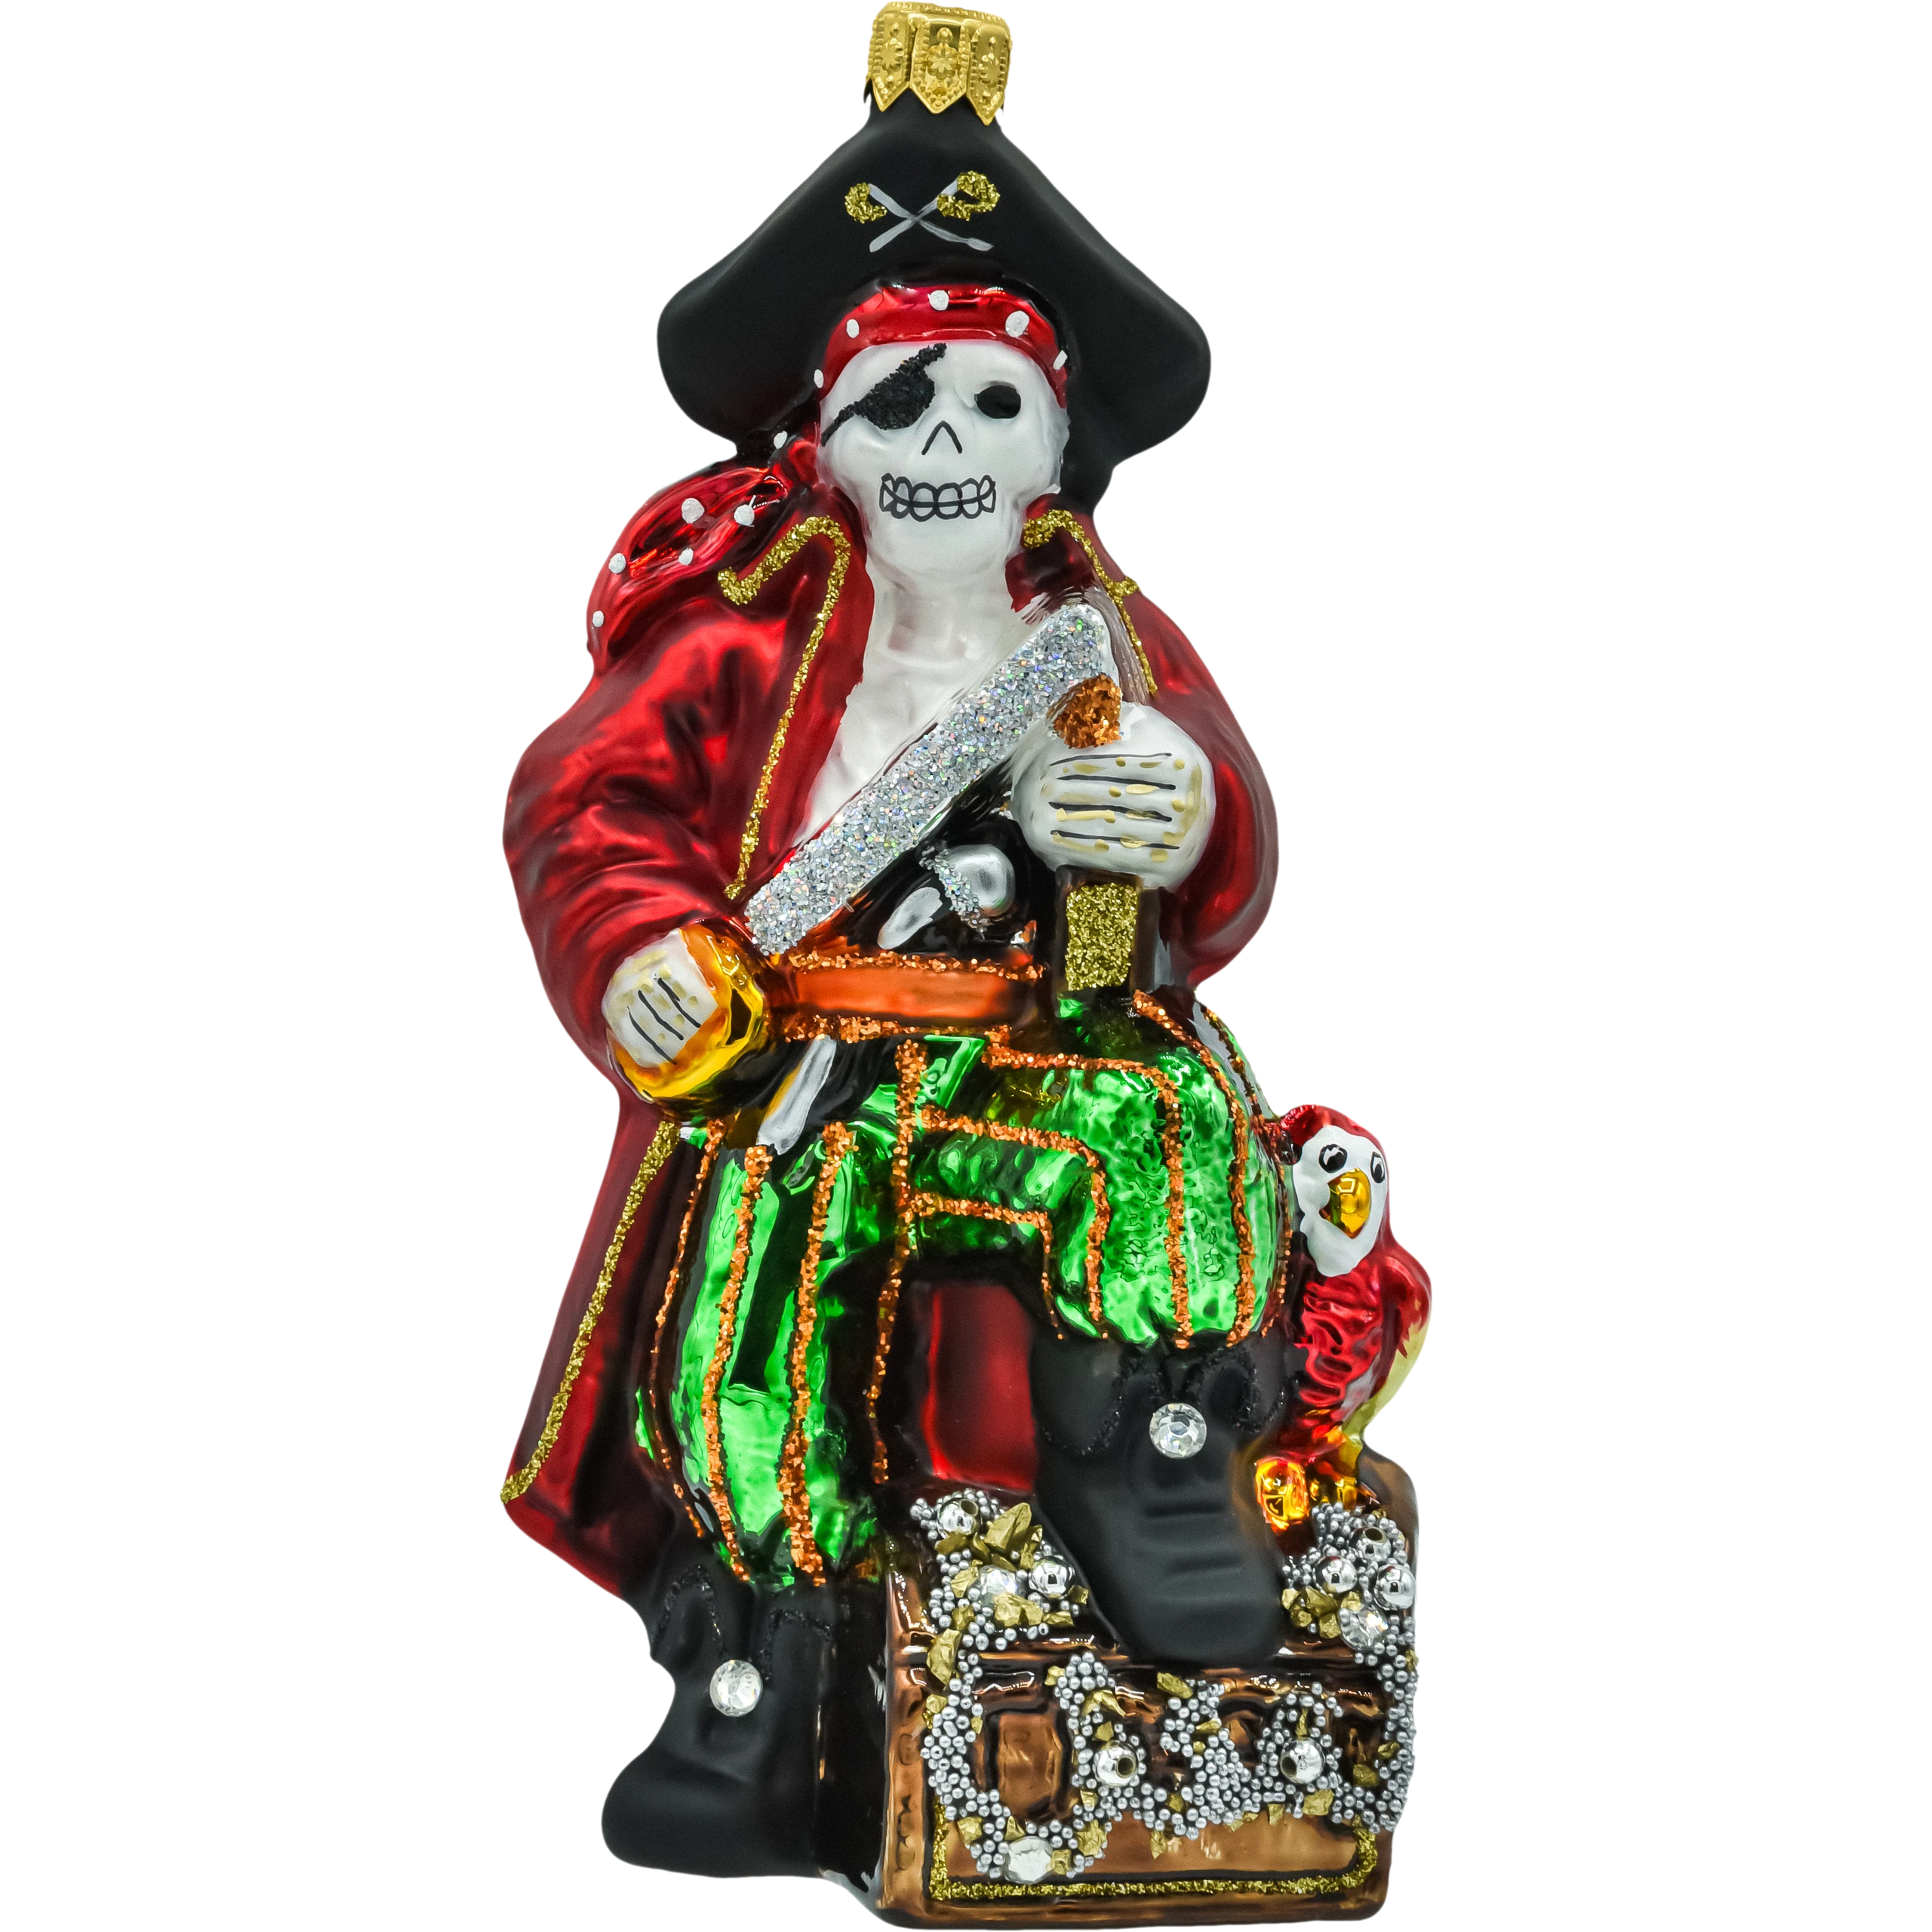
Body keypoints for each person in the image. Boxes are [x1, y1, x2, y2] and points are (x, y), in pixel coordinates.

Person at [498, 19, 1306, 1878]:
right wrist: (640, 944)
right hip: (807, 1068)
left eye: (993, 406)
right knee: (750, 1298)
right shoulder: (737, 633)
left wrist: (1179, 815)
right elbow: (584, 803)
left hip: (1043, 1057)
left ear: (1056, 444)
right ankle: (758, 1668)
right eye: (901, 403)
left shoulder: (1106, 636)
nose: (945, 441)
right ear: (825, 439)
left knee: (1171, 1132)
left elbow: (1228, 831)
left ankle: (1156, 1459)